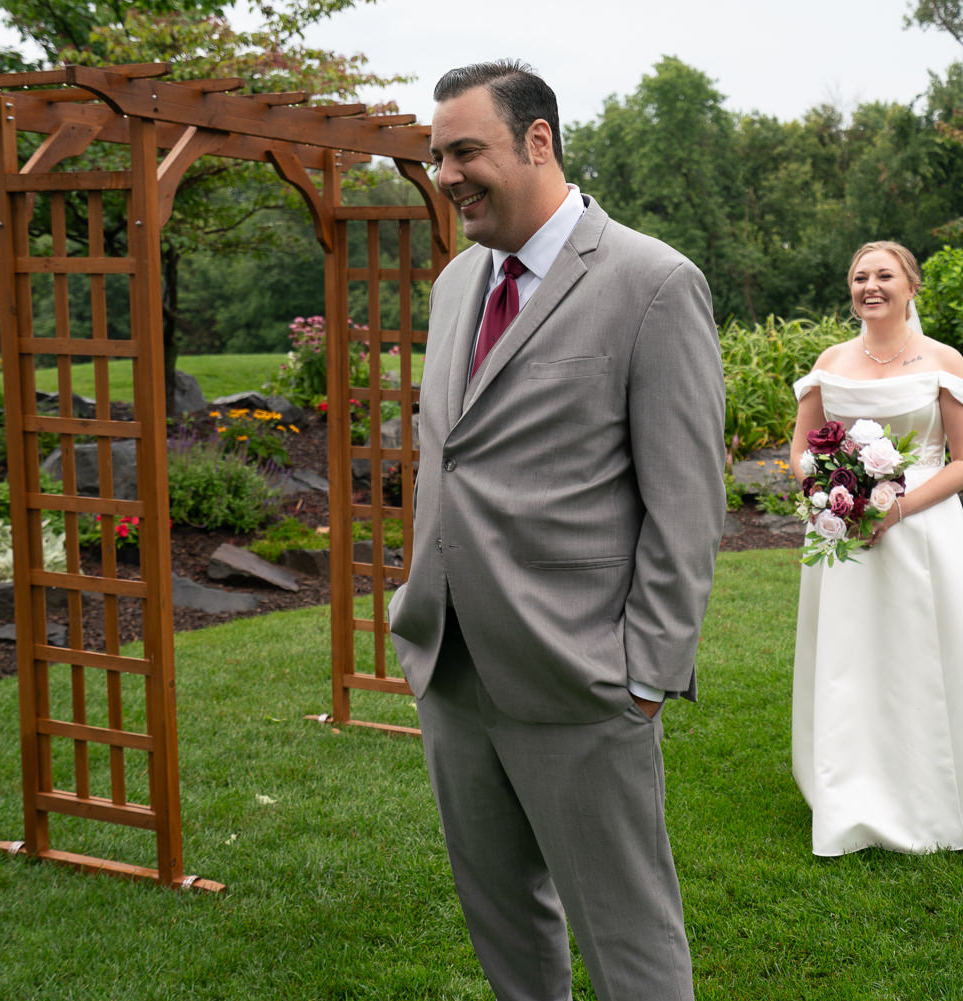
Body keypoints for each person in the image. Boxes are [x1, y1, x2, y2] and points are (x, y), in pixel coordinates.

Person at [388, 61, 726, 1001]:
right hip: (450, 665)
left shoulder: (653, 282)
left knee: (627, 935)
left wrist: (647, 672)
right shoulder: (458, 283)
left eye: (464, 151)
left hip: (583, 677)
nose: (446, 175)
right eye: (436, 155)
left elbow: (688, 502)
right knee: (501, 919)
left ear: (539, 141)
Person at [788, 240, 963, 859]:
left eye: (884, 275)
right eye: (859, 277)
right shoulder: (830, 361)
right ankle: (854, 791)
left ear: (911, 286)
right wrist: (831, 499)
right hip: (845, 539)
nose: (870, 286)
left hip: (924, 532)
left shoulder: (943, 361)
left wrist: (897, 508)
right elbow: (801, 452)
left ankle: (956, 791)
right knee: (851, 661)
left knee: (935, 656)